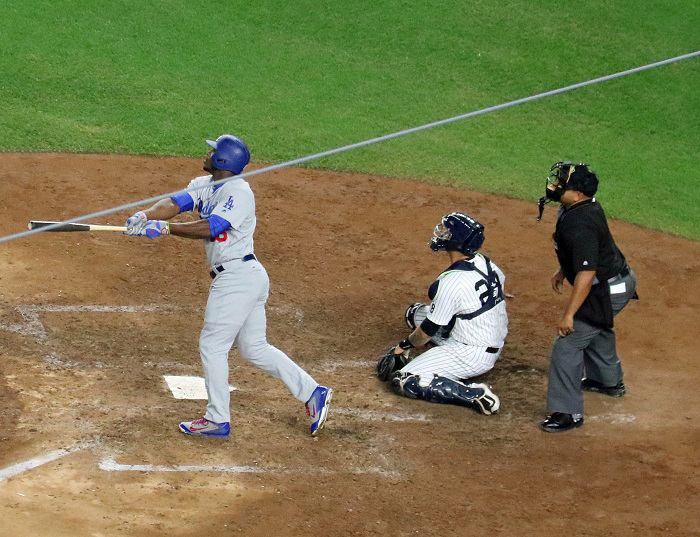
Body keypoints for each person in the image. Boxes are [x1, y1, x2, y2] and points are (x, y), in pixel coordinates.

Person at [124, 134, 333, 438]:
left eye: (212, 151)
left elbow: (213, 227)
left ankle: (217, 419)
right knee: (254, 348)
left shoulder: (240, 193)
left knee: (212, 345)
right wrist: (145, 216)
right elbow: (174, 203)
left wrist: (166, 229)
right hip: (243, 277)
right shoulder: (204, 184)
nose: (206, 153)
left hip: (238, 278)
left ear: (223, 160)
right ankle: (313, 392)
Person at [376, 212, 507, 415]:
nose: (442, 233)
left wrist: (403, 347)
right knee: (414, 314)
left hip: (472, 352)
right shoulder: (486, 263)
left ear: (457, 241)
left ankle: (475, 395)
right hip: (487, 332)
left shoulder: (452, 283)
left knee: (405, 380)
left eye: (448, 231)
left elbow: (427, 331)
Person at [539, 161, 637, 432]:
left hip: (607, 288)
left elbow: (587, 273)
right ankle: (607, 381)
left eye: (564, 184)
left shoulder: (581, 221)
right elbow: (585, 253)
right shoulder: (577, 208)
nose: (557, 185)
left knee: (569, 343)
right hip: (612, 281)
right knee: (595, 328)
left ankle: (567, 412)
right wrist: (563, 269)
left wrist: (569, 314)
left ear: (579, 194)